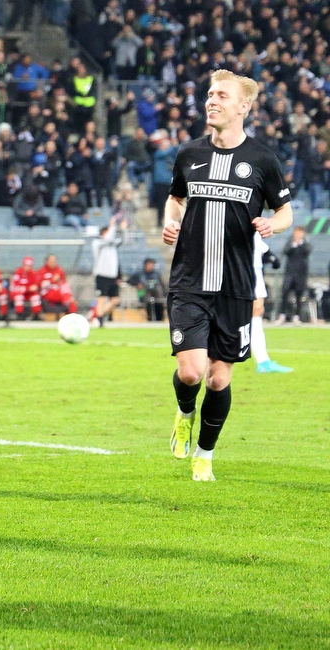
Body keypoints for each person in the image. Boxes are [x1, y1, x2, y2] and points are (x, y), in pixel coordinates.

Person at [163, 70, 293, 481]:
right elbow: (175, 198)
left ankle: (205, 453)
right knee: (191, 372)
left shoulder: (262, 159)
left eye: (221, 95)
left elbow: (286, 210)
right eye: (209, 94)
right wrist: (171, 222)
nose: (211, 101)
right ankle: (185, 412)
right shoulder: (189, 154)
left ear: (243, 106)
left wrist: (275, 225)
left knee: (219, 379)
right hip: (190, 281)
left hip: (236, 286)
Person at [250, 233, 292, 373]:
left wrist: (267, 252)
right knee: (253, 312)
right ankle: (263, 361)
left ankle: (263, 361)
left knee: (256, 311)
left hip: (253, 267)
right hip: (245, 267)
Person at [274, 226, 311, 325]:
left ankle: (297, 316)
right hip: (289, 273)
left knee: (299, 295)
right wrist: (294, 244)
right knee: (285, 294)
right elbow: (286, 251)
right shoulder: (290, 243)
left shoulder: (305, 244)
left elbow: (307, 251)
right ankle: (282, 315)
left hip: (301, 274)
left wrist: (300, 244)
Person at [90, 218, 121, 327]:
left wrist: (124, 229)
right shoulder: (98, 243)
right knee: (102, 298)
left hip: (112, 275)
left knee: (115, 300)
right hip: (102, 274)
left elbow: (124, 240)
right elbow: (108, 239)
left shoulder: (113, 244)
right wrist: (113, 225)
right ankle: (99, 320)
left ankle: (99, 316)